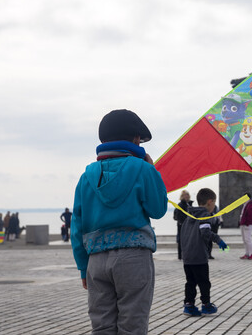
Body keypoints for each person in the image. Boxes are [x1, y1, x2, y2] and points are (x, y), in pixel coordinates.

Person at [71, 109, 168, 334]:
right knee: (133, 325)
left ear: (103, 140)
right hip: (133, 257)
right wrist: (152, 170)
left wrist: (83, 266)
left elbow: (77, 226)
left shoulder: (86, 177)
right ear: (135, 139)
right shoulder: (143, 169)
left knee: (102, 326)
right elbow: (158, 209)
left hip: (95, 260)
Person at [180, 188, 228, 316]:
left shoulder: (189, 215)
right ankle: (206, 305)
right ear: (210, 202)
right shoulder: (204, 215)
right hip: (199, 256)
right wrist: (218, 240)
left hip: (188, 257)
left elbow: (182, 235)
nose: (214, 207)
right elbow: (205, 233)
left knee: (190, 282)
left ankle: (188, 305)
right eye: (214, 204)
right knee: (204, 282)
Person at [173, 190, 193, 260]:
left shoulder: (189, 204)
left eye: (187, 194)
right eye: (185, 195)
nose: (186, 196)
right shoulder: (180, 205)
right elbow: (177, 216)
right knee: (181, 240)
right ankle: (180, 256)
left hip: (189, 225)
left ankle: (186, 254)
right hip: (182, 225)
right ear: (182, 196)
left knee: (188, 240)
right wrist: (183, 222)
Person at [239, 193, 252, 260]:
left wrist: (247, 224)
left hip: (247, 224)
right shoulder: (245, 205)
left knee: (248, 239)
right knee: (244, 240)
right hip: (243, 224)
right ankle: (247, 253)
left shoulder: (250, 205)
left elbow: (250, 216)